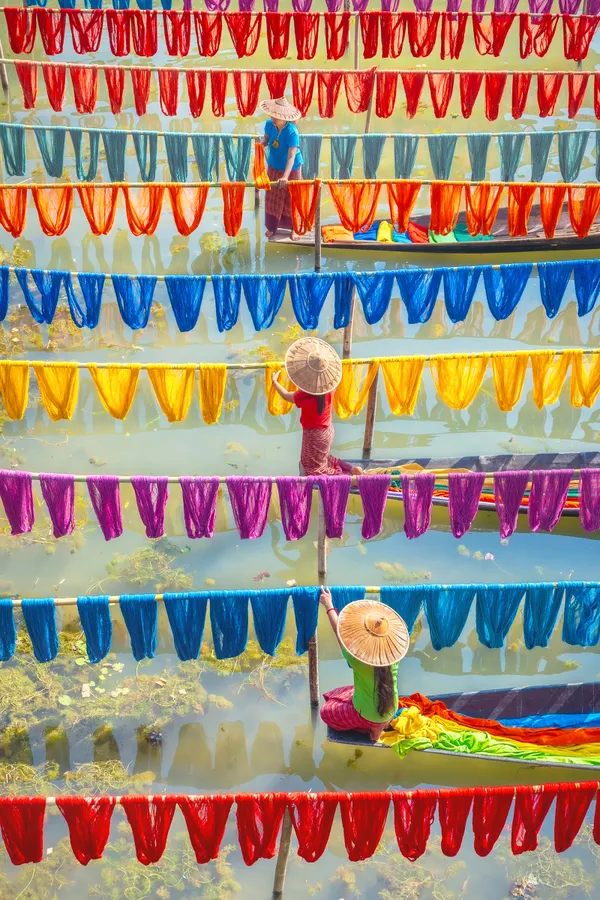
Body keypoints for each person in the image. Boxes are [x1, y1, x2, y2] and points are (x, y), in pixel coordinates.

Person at [318, 589, 409, 742]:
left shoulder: (358, 660)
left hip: (368, 715)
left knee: (326, 711)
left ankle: (372, 727)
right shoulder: (395, 655)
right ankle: (381, 723)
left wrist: (328, 605)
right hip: (391, 708)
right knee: (338, 693)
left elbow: (339, 631)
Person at [271, 337, 362, 476]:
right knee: (323, 458)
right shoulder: (330, 386)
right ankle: (351, 469)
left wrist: (275, 382)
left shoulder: (306, 393)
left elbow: (285, 395)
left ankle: (351, 480)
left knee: (313, 468)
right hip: (327, 430)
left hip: (314, 434)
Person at [258, 97, 304, 240]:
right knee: (272, 197)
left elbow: (291, 157)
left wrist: (285, 176)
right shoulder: (269, 124)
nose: (273, 118)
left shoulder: (292, 132)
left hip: (292, 168)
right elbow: (266, 139)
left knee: (292, 197)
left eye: (277, 117)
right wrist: (260, 145)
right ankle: (273, 227)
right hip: (273, 165)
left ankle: (295, 228)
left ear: (285, 118)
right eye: (272, 115)